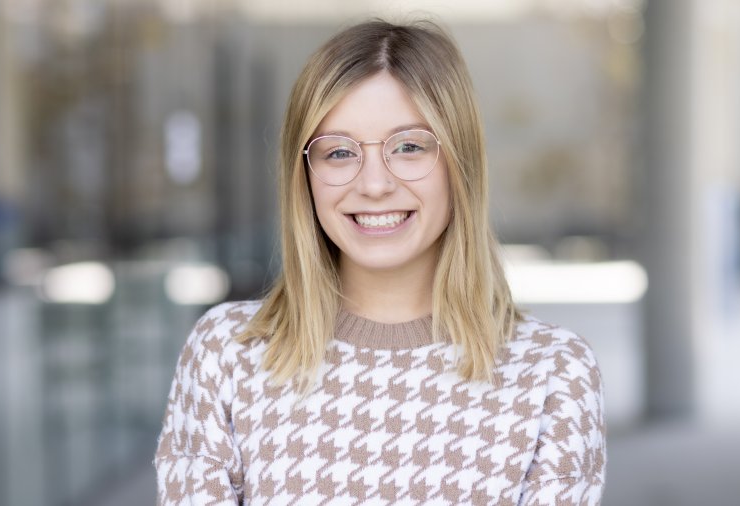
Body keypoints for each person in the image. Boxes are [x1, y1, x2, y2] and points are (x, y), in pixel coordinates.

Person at [154, 19, 605, 505]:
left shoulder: (554, 375)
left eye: (409, 146)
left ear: (460, 160)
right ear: (304, 174)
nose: (373, 184)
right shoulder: (225, 357)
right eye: (339, 152)